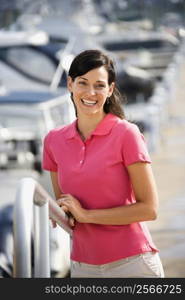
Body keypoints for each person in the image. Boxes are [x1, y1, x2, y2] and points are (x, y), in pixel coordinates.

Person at [42, 49, 164, 278]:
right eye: (83, 83)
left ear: (110, 89)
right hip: (83, 267)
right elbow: (65, 206)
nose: (90, 92)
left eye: (99, 85)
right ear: (70, 84)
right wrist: (60, 212)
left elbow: (150, 209)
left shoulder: (126, 133)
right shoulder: (53, 141)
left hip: (132, 264)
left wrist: (87, 215)